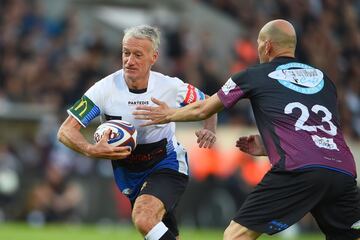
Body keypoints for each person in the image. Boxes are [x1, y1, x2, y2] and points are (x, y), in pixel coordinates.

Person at [133, 19, 360, 240]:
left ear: (267, 45)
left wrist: (168, 114)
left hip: (298, 169)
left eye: (259, 43)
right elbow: (313, 130)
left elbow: (204, 108)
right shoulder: (324, 79)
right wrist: (266, 145)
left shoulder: (254, 75)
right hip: (342, 170)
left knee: (236, 235)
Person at [57, 25, 217, 240]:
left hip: (166, 162)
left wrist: (209, 128)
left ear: (154, 57)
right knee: (158, 230)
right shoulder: (104, 90)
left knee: (143, 218)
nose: (129, 61)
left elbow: (209, 102)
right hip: (129, 171)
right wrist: (90, 149)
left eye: (138, 55)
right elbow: (66, 129)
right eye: (126, 53)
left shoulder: (169, 87)